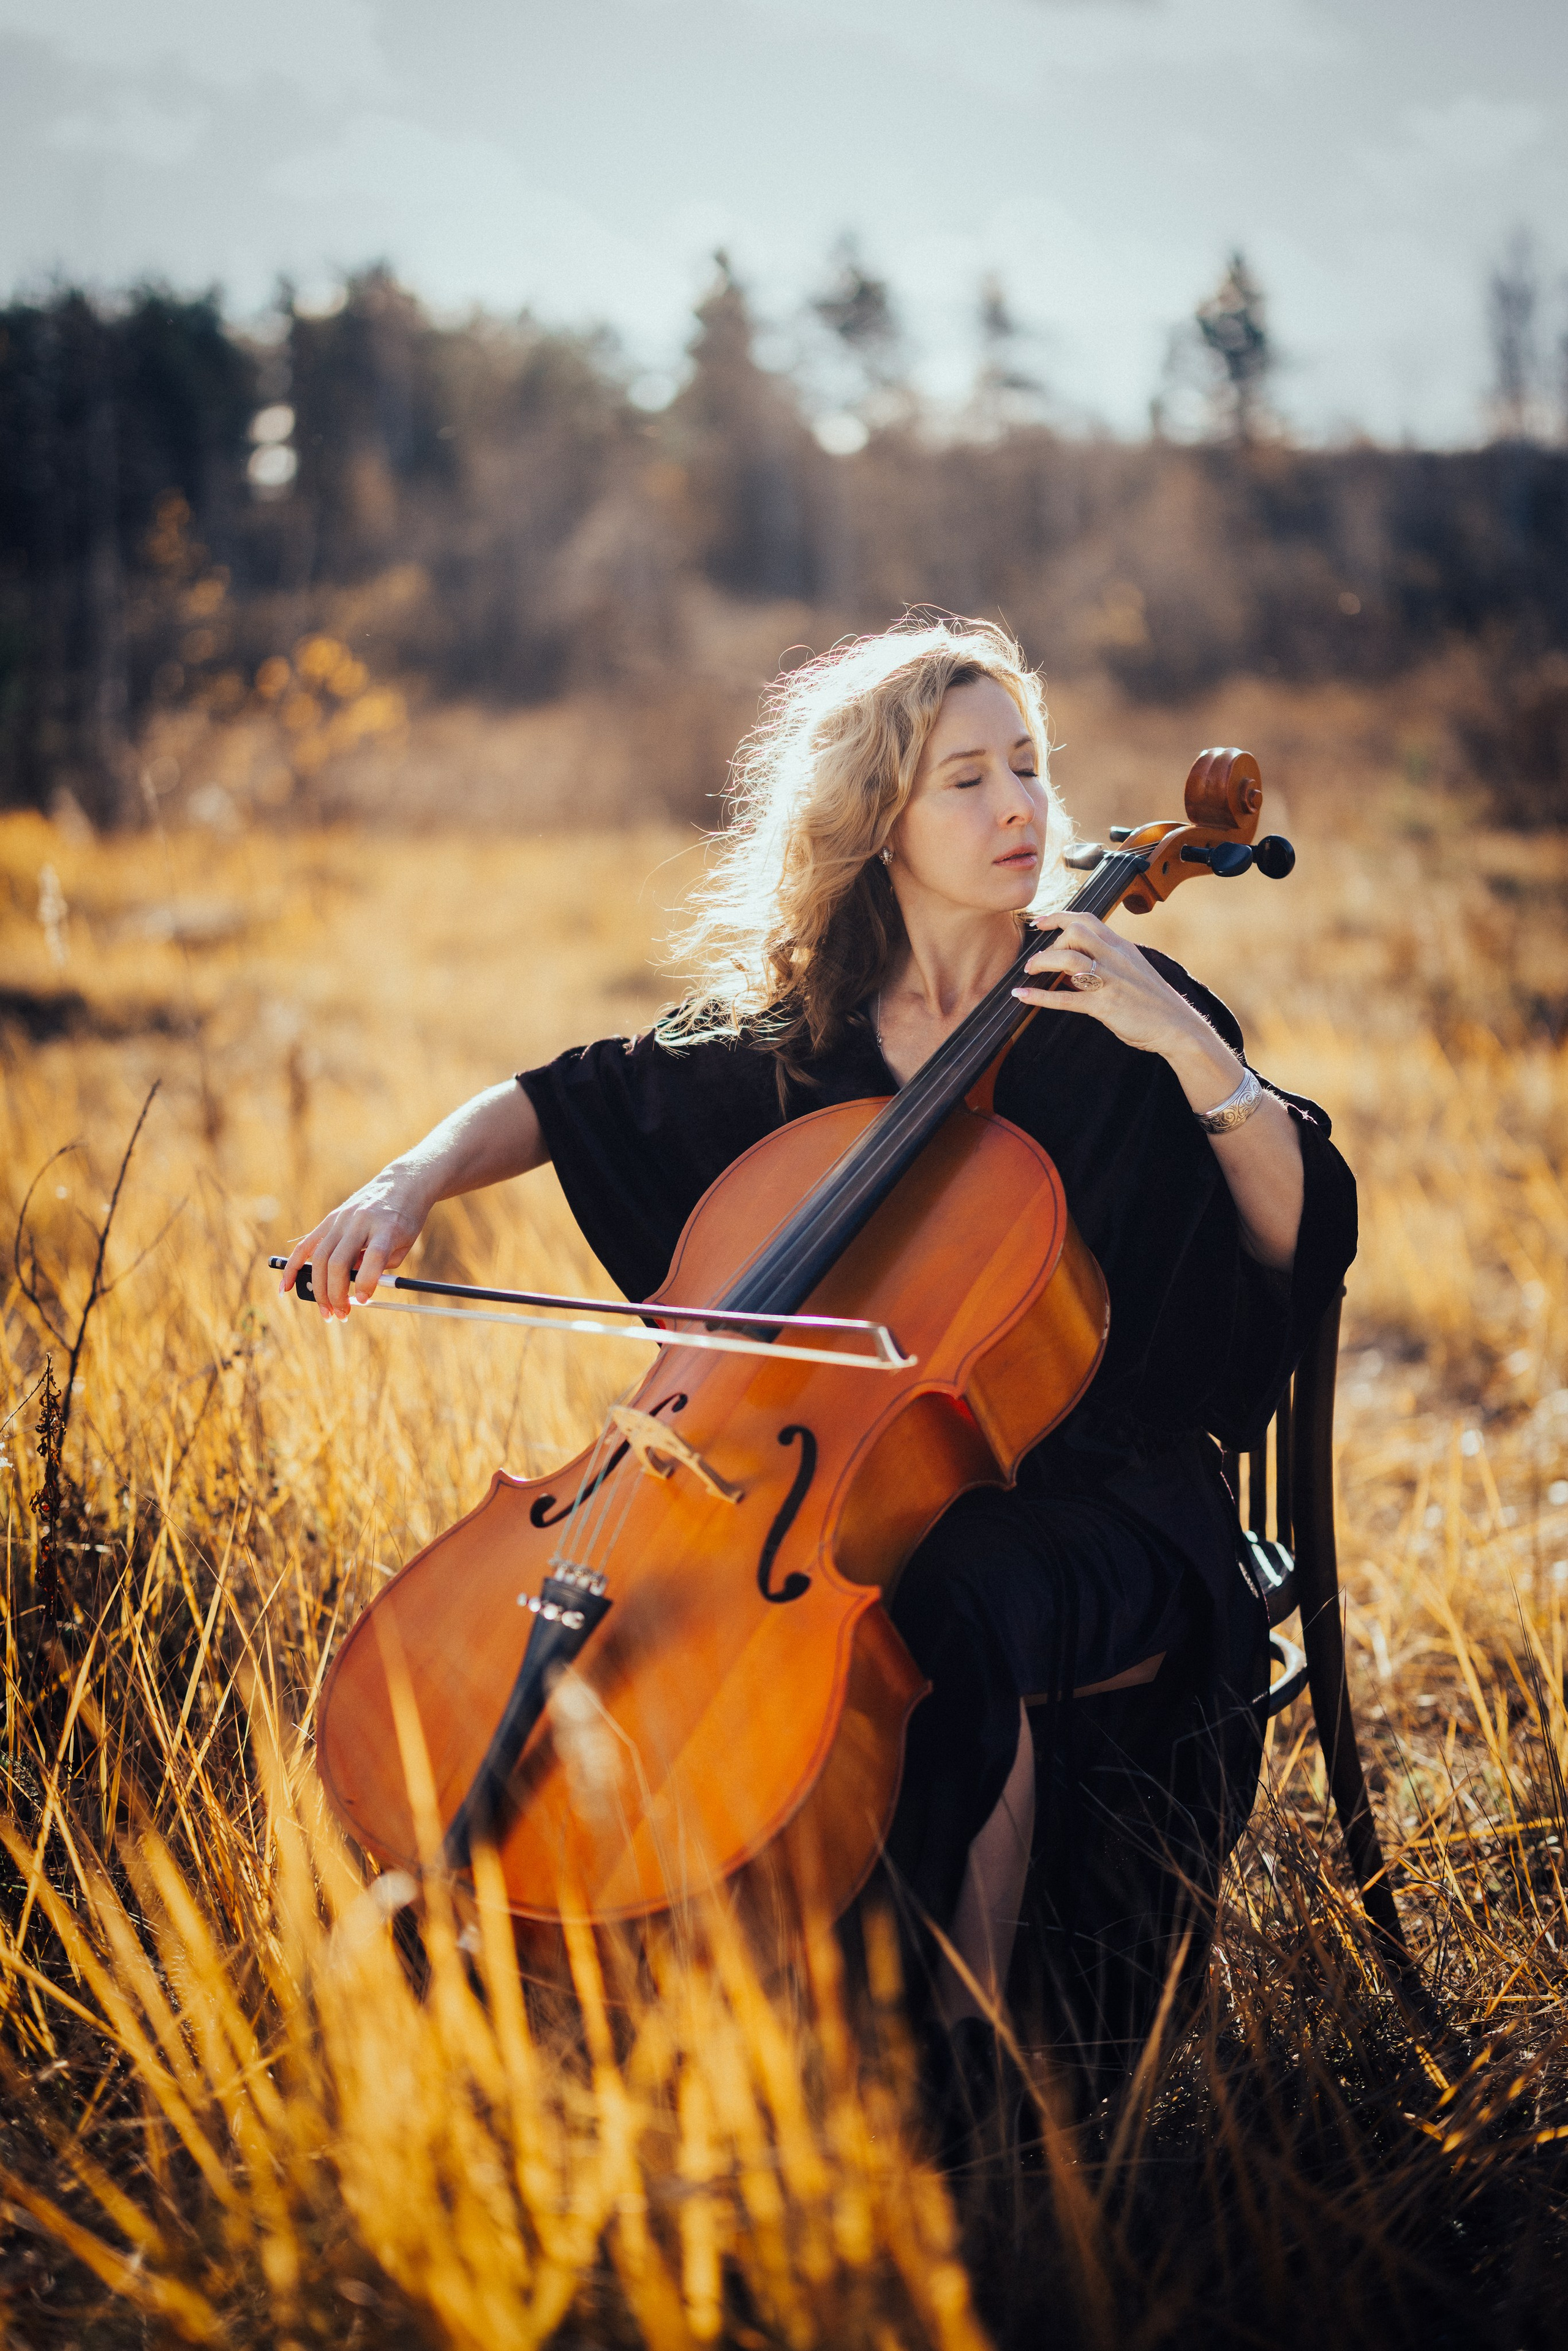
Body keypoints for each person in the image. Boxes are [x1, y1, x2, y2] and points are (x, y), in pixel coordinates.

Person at [281, 616, 1355, 2140]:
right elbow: (565, 1096)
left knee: (948, 1603)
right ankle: (665, 2012)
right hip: (826, 1496)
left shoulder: (1119, 1020)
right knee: (696, 1623)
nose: (1017, 808)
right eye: (965, 778)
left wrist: (1197, 1056)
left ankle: (957, 2086)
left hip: (1097, 1490)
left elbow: (1295, 1241)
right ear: (875, 825)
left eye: (1028, 767)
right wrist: (407, 1184)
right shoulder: (797, 1038)